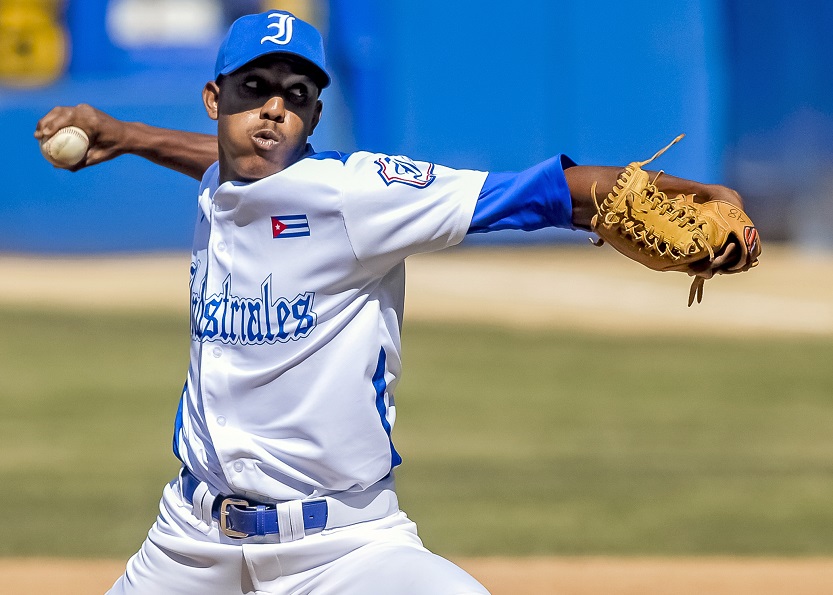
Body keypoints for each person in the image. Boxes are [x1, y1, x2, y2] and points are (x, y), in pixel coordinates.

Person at [35, 10, 754, 595]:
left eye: (296, 95)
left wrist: (698, 194)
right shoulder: (229, 181)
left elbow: (542, 194)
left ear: (314, 117)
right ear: (214, 99)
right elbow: (223, 162)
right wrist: (129, 136)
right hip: (188, 544)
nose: (273, 110)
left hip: (343, 549)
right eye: (254, 87)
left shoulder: (357, 194)